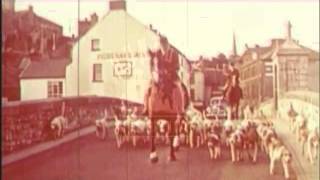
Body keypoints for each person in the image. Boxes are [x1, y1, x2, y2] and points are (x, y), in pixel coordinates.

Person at [142, 36, 185, 116]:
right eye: (162, 45)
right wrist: (148, 52)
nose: (163, 47)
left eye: (165, 45)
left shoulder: (174, 53)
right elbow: (152, 56)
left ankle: (181, 108)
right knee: (147, 88)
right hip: (160, 77)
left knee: (179, 89)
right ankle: (146, 107)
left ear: (168, 44)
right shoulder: (157, 53)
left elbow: (177, 66)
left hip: (172, 77)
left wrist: (169, 71)